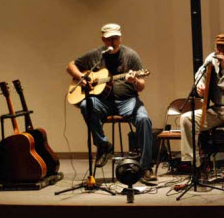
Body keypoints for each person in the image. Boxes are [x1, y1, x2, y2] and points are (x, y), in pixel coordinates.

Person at [66, 23, 157, 182]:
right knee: (86, 104)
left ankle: (146, 167)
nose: (113, 42)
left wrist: (135, 80)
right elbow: (70, 66)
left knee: (144, 119)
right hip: (103, 102)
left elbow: (141, 86)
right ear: (103, 39)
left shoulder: (130, 55)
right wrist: (81, 78)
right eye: (109, 39)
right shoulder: (96, 55)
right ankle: (104, 145)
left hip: (127, 100)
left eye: (116, 38)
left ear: (120, 37)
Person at [180, 33, 224, 185]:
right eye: (219, 49)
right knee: (186, 118)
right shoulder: (211, 59)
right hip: (217, 109)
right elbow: (200, 74)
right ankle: (195, 166)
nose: (222, 53)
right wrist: (200, 85)